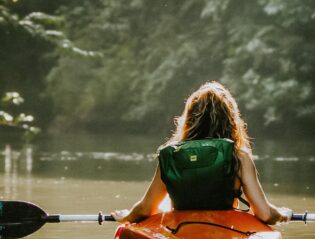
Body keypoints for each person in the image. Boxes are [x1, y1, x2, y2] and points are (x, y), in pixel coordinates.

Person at [112, 82, 291, 225]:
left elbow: (146, 209)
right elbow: (265, 214)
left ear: (189, 118)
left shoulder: (172, 156)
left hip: (181, 230)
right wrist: (282, 213)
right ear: (231, 119)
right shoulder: (239, 156)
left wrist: (127, 216)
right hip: (225, 230)